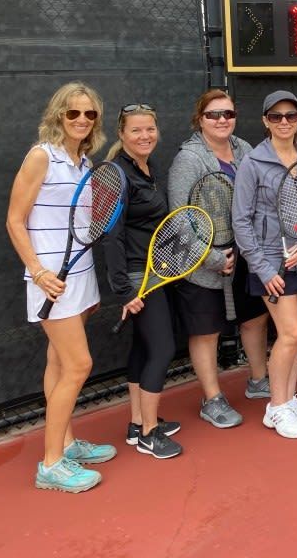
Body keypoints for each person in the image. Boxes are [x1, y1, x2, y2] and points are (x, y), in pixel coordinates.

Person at [7, 82, 117, 492]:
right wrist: (37, 270)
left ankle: (66, 443)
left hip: (81, 273)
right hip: (50, 280)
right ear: (58, 116)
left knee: (57, 363)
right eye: (73, 113)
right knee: (78, 365)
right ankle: (50, 464)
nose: (82, 120)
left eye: (89, 114)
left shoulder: (85, 163)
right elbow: (14, 221)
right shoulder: (41, 157)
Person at [233, 90, 297, 438]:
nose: (283, 122)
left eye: (290, 116)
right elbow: (241, 221)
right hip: (270, 266)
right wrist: (264, 268)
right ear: (265, 121)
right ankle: (276, 407)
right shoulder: (252, 163)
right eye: (275, 117)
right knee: (291, 333)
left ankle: (289, 397)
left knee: (295, 337)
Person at [167, 90, 252, 430]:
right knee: (206, 332)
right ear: (199, 119)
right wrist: (213, 257)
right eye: (213, 115)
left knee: (254, 319)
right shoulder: (188, 160)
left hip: (243, 257)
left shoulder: (244, 149)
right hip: (202, 266)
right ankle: (211, 398)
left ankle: (259, 379)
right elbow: (179, 218)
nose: (222, 120)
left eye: (228, 114)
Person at [106, 103, 183, 459]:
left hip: (154, 271)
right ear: (121, 134)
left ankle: (138, 423)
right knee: (163, 348)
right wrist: (124, 290)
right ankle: (151, 434)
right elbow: (112, 236)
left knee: (143, 346)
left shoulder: (145, 168)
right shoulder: (117, 173)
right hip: (139, 278)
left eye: (150, 129)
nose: (144, 136)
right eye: (136, 130)